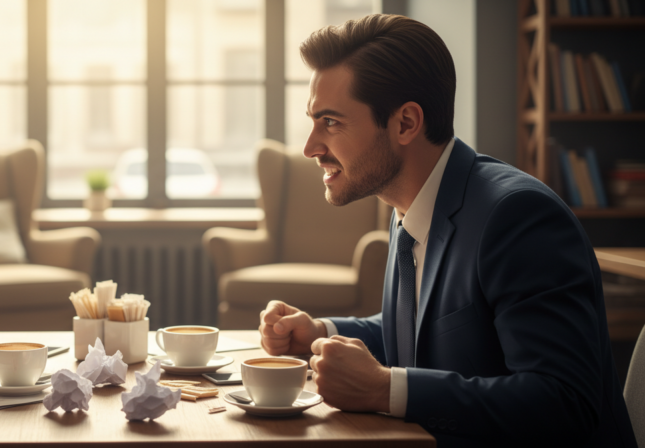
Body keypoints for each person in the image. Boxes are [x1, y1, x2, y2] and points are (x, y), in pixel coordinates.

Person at [259, 14, 636, 447]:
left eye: (331, 122)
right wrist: (322, 333)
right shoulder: (408, 204)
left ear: (405, 123)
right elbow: (431, 330)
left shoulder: (518, 217)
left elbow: (565, 403)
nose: (310, 147)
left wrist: (384, 388)